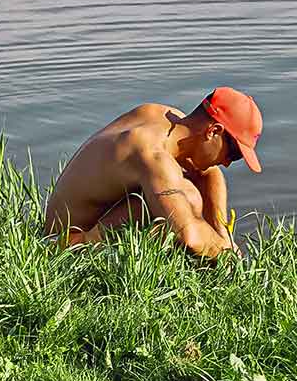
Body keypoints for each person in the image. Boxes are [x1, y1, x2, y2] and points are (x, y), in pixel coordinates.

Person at [43, 87, 263, 258]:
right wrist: (227, 257)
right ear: (213, 131)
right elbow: (190, 238)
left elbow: (210, 172)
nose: (226, 163)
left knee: (186, 191)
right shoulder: (151, 153)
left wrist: (222, 234)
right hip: (65, 240)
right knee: (189, 198)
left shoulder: (168, 119)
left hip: (83, 220)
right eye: (234, 154)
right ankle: (87, 247)